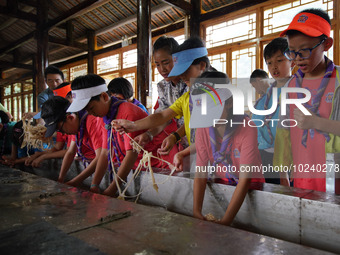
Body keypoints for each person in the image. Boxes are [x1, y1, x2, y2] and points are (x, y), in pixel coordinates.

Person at [112, 37, 213, 171]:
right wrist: (144, 131)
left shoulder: (200, 83)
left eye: (166, 62)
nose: (162, 69)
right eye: (157, 64)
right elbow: (163, 116)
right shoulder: (167, 87)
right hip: (189, 145)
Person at [67, 74, 175, 196]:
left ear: (104, 96)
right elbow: (105, 153)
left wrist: (111, 189)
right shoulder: (105, 117)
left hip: (160, 165)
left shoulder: (127, 112)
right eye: (86, 111)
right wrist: (94, 185)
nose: (90, 113)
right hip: (139, 166)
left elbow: (131, 154)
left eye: (91, 108)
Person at [274, 8, 338, 192]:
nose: (297, 59)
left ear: (326, 44)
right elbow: (283, 132)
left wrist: (316, 122)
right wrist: (282, 172)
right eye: (292, 52)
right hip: (303, 178)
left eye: (305, 51)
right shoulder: (291, 86)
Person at [191, 71, 264, 226]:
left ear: (229, 102)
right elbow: (201, 172)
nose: (209, 119)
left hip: (252, 189)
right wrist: (196, 211)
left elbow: (245, 179)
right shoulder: (203, 129)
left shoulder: (247, 127)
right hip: (223, 183)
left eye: (213, 111)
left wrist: (226, 221)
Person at [251, 38, 292, 184]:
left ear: (291, 60)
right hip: (264, 156)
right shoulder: (264, 99)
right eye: (269, 63)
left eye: (280, 60)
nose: (274, 67)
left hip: (289, 160)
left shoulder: (298, 91)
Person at [41, 96, 103, 185]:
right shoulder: (77, 124)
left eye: (61, 130)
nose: (63, 134)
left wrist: (73, 183)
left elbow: (100, 157)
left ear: (70, 118)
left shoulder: (91, 121)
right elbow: (70, 152)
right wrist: (61, 178)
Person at [24, 82, 73, 168]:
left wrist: (44, 156)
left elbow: (71, 151)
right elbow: (58, 147)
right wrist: (40, 154)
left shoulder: (72, 120)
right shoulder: (60, 119)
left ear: (71, 97)